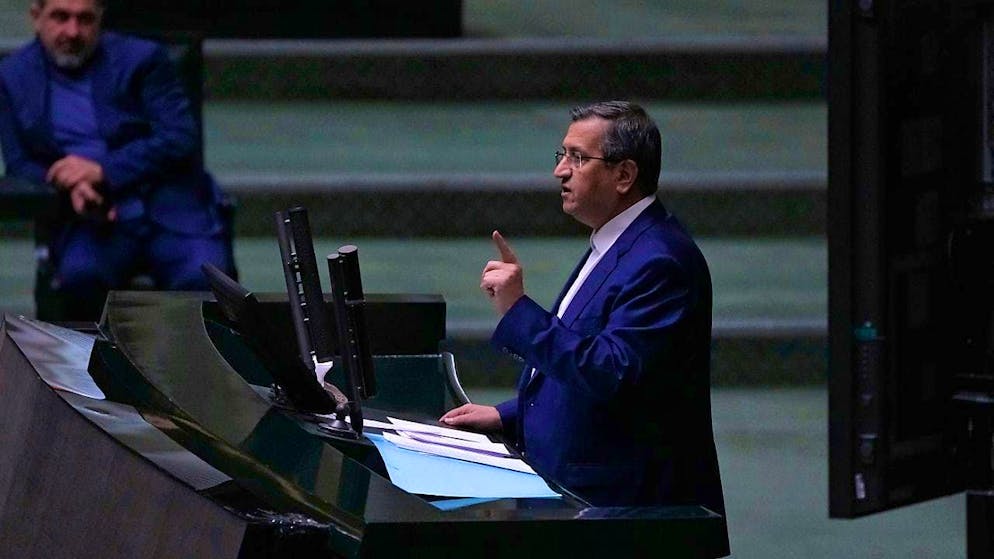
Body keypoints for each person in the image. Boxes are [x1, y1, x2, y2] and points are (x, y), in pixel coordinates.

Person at [441, 101, 729, 554]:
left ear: (624, 175)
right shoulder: (616, 242)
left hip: (626, 515)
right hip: (584, 498)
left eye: (577, 158)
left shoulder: (661, 262)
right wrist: (510, 415)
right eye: (561, 154)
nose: (560, 171)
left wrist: (518, 311)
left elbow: (611, 372)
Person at [0, 0, 234, 321]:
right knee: (80, 279)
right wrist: (70, 184)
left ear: (100, 20)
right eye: (60, 17)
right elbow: (19, 162)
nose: (72, 31)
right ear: (36, 17)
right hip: (90, 218)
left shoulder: (143, 59)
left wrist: (102, 170)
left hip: (169, 209)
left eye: (85, 19)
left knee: (204, 281)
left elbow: (179, 137)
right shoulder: (13, 77)